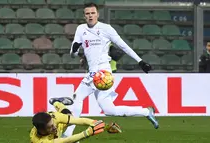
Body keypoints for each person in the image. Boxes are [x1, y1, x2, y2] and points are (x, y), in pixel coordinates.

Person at [64, 2, 159, 139]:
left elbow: (123, 46)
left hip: (103, 72)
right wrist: (74, 50)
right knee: (109, 110)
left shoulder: (106, 28)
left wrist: (140, 61)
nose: (90, 16)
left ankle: (68, 136)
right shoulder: (80, 29)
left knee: (77, 98)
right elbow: (73, 53)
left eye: (92, 13)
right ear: (84, 16)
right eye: (87, 14)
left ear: (97, 14)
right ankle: (146, 112)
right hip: (92, 72)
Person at [30, 97, 121, 143]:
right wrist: (87, 133)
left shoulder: (54, 117)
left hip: (59, 124)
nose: (54, 127)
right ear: (42, 130)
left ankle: (56, 102)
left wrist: (101, 125)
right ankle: (57, 102)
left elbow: (78, 121)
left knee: (69, 116)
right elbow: (66, 141)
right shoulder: (39, 141)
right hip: (54, 140)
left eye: (53, 124)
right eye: (50, 127)